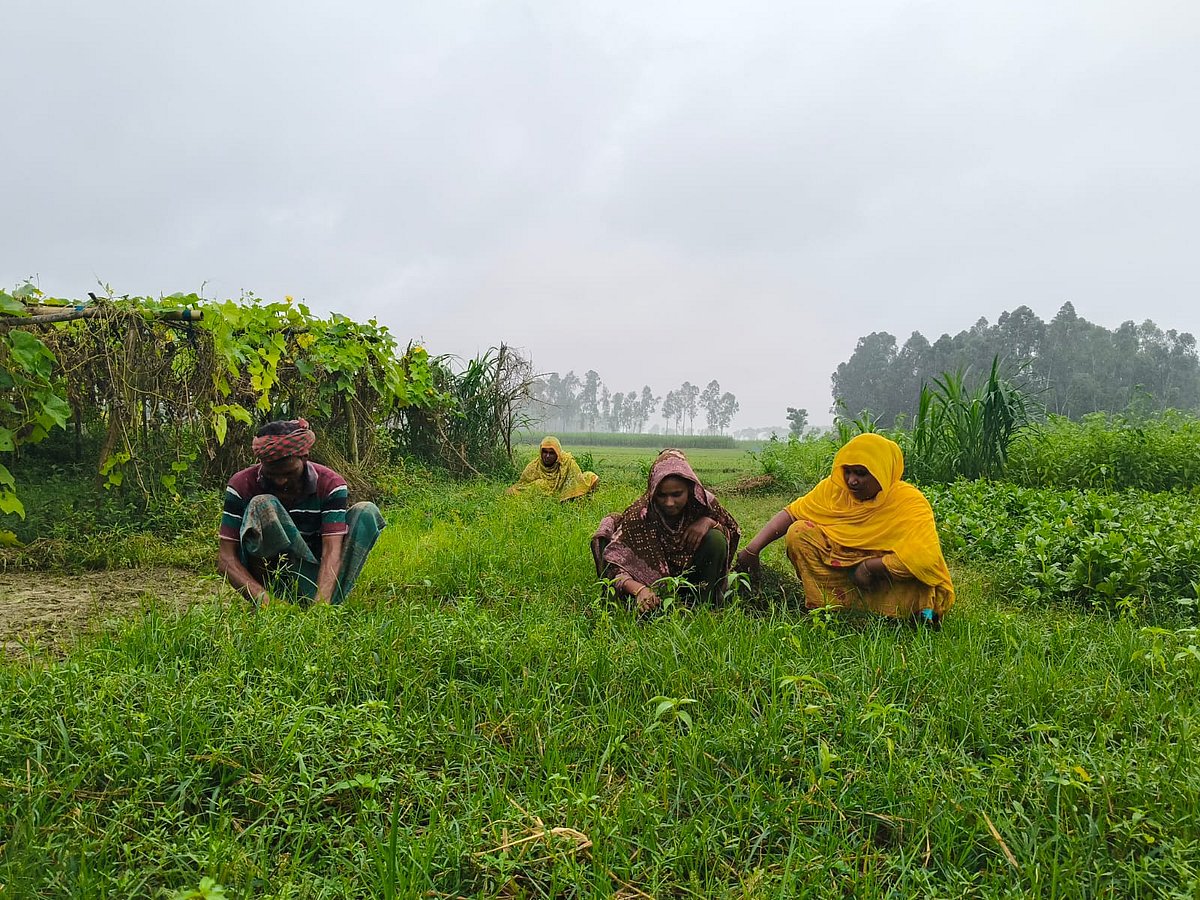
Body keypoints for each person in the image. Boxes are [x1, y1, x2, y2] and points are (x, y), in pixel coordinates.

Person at [735, 433, 954, 622]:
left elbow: (924, 559)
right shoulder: (834, 491)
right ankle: (830, 607)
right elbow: (792, 513)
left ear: (883, 471)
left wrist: (869, 568)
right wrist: (752, 549)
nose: (851, 480)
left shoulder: (909, 502)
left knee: (922, 584)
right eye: (848, 471)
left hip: (884, 576)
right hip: (846, 572)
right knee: (799, 532)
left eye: (861, 473)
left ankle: (910, 616)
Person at [217, 419, 385, 607]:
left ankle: (325, 604)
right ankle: (273, 600)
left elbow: (331, 550)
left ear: (304, 457)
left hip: (316, 573)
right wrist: (268, 603)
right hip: (271, 578)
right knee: (262, 504)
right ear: (261, 462)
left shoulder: (331, 484)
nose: (280, 481)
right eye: (272, 474)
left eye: (288, 473)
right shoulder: (242, 485)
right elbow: (225, 558)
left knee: (366, 511)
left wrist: (320, 608)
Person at [592, 449, 741, 612]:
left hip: (694, 579)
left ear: (690, 489)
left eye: (677, 494)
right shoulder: (640, 515)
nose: (670, 503)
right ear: (653, 491)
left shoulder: (704, 504)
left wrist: (709, 523)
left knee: (715, 538)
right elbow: (614, 564)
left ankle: (702, 605)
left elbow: (731, 533)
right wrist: (639, 590)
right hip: (650, 587)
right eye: (662, 495)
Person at [506, 436, 600, 501]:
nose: (547, 456)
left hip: (565, 493)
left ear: (558, 453)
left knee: (591, 477)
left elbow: (577, 480)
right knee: (538, 484)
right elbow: (523, 485)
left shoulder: (567, 462)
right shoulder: (534, 466)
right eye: (544, 452)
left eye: (551, 453)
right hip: (542, 497)